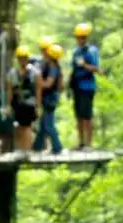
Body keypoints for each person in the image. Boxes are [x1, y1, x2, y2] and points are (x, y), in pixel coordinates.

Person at [68, 22, 101, 150]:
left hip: (87, 86)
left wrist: (84, 65)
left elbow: (96, 68)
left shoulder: (92, 51)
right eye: (78, 37)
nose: (80, 39)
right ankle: (81, 142)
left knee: (87, 116)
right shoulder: (76, 51)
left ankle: (89, 144)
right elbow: (73, 68)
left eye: (82, 37)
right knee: (79, 116)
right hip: (77, 86)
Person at [6, 46, 41, 152]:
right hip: (17, 104)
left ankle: (27, 149)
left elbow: (38, 90)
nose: (22, 60)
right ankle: (21, 148)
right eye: (20, 58)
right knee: (19, 127)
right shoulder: (12, 73)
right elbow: (10, 90)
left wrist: (38, 105)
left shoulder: (34, 72)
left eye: (24, 58)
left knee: (27, 127)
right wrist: (9, 105)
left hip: (29, 104)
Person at [33, 44, 65, 155]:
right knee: (43, 124)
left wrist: (38, 80)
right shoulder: (54, 66)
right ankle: (37, 146)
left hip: (50, 98)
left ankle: (57, 147)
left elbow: (48, 84)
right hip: (51, 98)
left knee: (48, 124)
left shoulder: (53, 68)